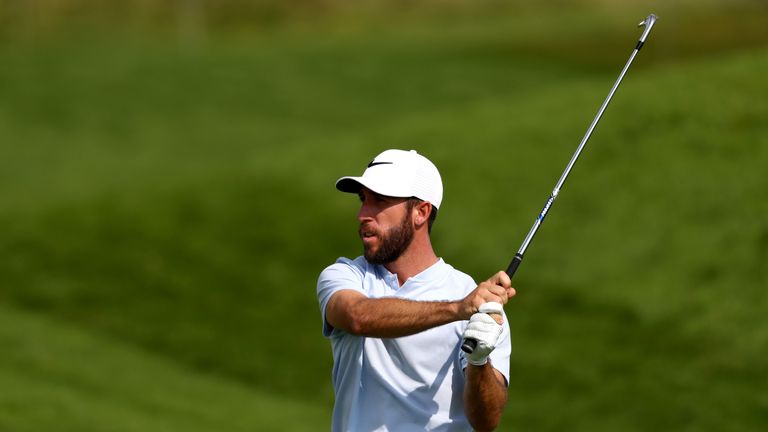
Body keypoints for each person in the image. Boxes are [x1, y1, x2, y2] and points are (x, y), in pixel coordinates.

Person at [317, 149, 516, 432]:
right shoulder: (345, 275)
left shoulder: (473, 301)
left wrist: (478, 360)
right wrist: (457, 309)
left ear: (421, 212)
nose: (362, 214)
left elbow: (486, 421)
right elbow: (357, 317)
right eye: (363, 200)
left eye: (379, 201)